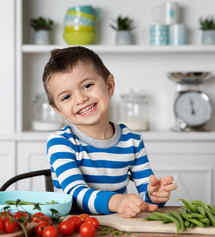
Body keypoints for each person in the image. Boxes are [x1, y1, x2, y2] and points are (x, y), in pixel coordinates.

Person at [42, 46, 177, 218]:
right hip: (73, 228)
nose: (81, 99)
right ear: (59, 110)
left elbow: (147, 197)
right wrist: (118, 202)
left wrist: (155, 194)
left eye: (87, 85)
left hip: (117, 228)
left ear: (109, 85)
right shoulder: (61, 142)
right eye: (66, 97)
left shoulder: (132, 141)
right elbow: (75, 194)